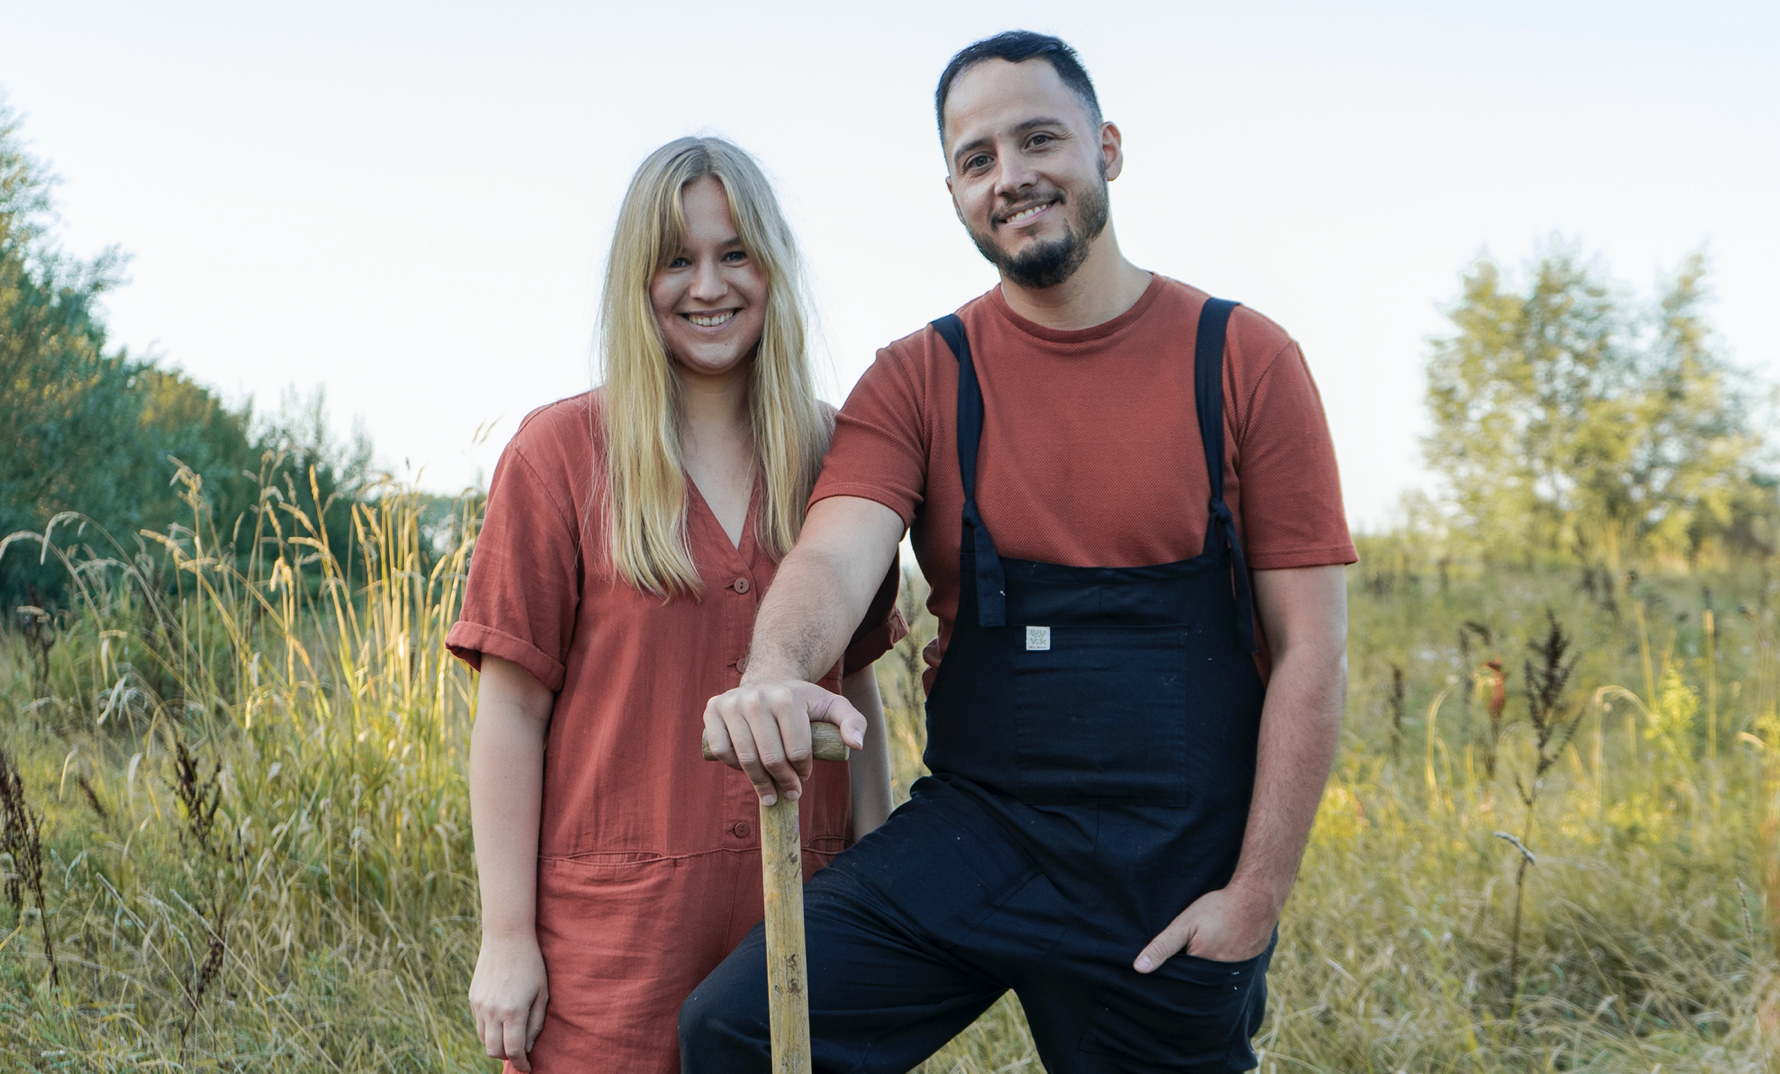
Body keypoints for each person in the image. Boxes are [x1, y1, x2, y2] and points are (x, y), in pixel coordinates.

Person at [684, 31, 1354, 1074]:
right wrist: (774, 668)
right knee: (736, 1031)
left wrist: (1254, 899)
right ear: (952, 190)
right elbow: (831, 559)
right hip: (979, 837)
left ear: (1108, 149)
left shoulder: (1244, 360)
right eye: (977, 159)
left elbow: (1310, 652)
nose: (1012, 177)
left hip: (1167, 878)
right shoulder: (917, 377)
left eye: (1039, 139)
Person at [446, 136, 905, 1073]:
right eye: (677, 260)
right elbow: (511, 713)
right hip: (614, 947)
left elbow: (857, 693)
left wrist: (879, 882)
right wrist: (507, 936)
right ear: (637, 279)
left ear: (771, 267)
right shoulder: (559, 455)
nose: (709, 285)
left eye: (735, 253)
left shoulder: (835, 454)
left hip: (798, 919)